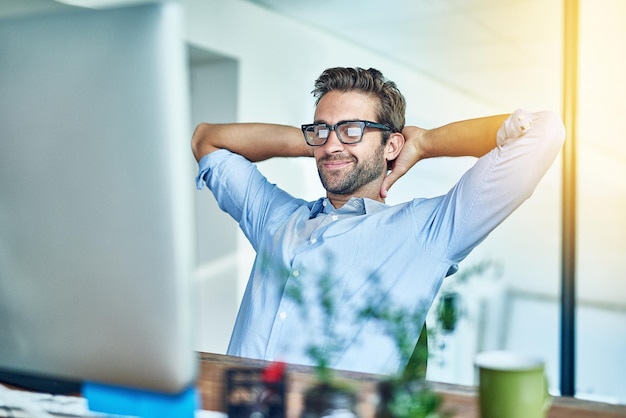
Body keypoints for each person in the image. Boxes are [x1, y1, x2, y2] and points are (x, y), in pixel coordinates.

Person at [192, 67, 565, 375]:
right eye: (322, 129)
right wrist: (322, 143)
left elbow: (544, 132)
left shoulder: (426, 232)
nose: (333, 144)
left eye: (352, 129)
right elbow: (207, 140)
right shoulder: (277, 218)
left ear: (391, 146)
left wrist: (426, 142)